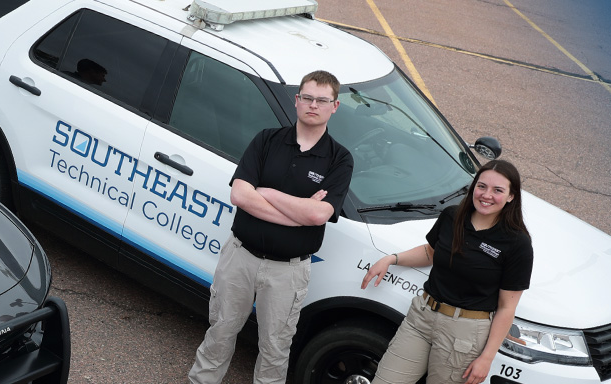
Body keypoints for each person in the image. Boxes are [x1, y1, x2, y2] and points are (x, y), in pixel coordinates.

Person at [189, 70, 354, 384]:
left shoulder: (339, 159)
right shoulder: (267, 139)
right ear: (297, 101)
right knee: (220, 331)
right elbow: (240, 194)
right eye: (307, 97)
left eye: (322, 100)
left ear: (335, 106)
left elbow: (319, 216)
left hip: (287, 272)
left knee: (275, 347)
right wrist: (299, 210)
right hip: (240, 257)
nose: (313, 105)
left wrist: (268, 193)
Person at [359, 160, 534, 384]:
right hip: (421, 319)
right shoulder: (453, 216)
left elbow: (507, 307)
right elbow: (430, 253)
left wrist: (487, 358)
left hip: (464, 334)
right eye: (482, 186)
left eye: (497, 190)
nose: (486, 195)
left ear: (511, 196)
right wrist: (392, 259)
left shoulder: (517, 242)